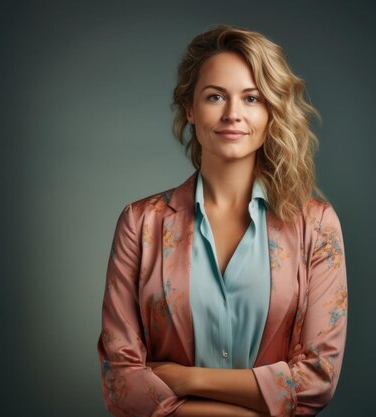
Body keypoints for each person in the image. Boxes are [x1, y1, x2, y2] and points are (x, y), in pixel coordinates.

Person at [97, 25, 347, 417]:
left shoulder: (316, 225)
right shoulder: (140, 223)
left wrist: (187, 378)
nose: (233, 114)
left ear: (271, 111)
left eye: (252, 98)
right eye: (215, 96)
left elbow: (317, 379)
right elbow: (122, 381)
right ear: (190, 110)